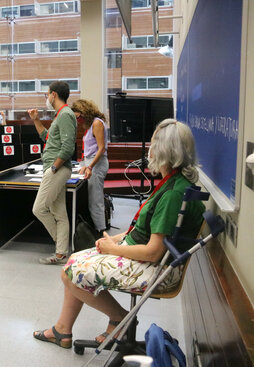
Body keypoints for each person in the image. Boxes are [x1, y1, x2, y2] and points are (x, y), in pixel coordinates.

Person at [32, 119, 205, 349]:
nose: (149, 150)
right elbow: (147, 227)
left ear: (164, 150)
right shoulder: (174, 183)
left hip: (155, 269)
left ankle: (120, 318)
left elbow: (153, 252)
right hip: (146, 256)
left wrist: (113, 248)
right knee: (75, 263)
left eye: (153, 145)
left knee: (70, 270)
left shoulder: (173, 194)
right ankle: (63, 330)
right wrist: (115, 238)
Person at [28, 81, 77, 265]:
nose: (47, 98)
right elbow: (47, 137)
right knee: (59, 213)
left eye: (47, 94)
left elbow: (67, 147)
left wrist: (54, 168)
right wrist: (36, 120)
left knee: (39, 208)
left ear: (54, 94)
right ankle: (61, 253)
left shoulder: (65, 114)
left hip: (56, 169)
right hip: (56, 168)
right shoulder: (60, 115)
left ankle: (60, 246)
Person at [71, 99, 110, 234]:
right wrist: (83, 163)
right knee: (89, 197)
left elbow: (101, 148)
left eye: (77, 117)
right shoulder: (91, 125)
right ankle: (94, 227)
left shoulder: (97, 123)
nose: (78, 120)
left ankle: (101, 231)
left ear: (84, 112)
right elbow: (89, 149)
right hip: (90, 161)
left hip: (97, 163)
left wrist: (90, 166)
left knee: (95, 199)